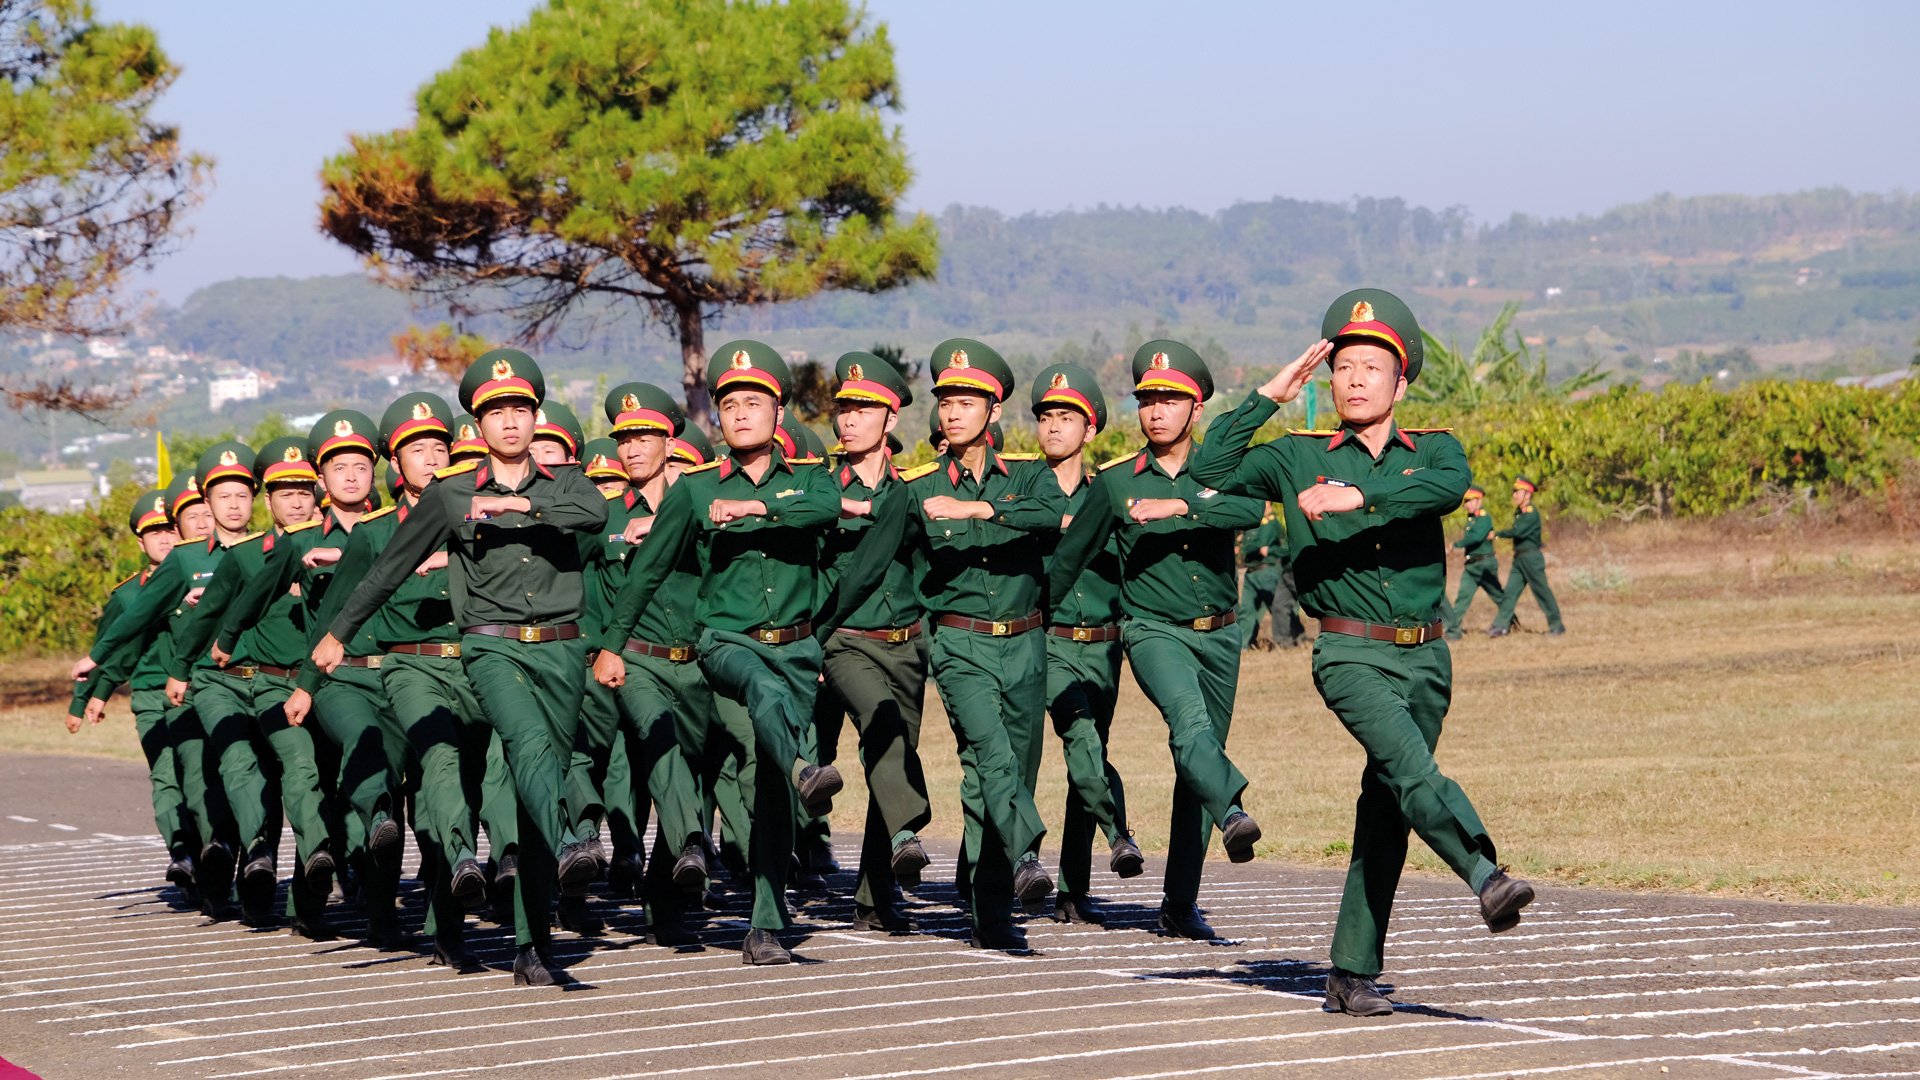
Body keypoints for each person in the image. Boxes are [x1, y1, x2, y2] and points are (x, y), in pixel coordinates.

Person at [1190, 288, 1536, 1016]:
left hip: (1429, 658)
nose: (1353, 378)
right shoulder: (1294, 457)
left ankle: (1350, 972)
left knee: (1389, 807)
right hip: (1349, 654)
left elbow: (1440, 491)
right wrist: (1267, 396)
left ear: (1400, 382)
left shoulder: (1434, 451)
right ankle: (1484, 871)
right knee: (1413, 771)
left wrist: (1359, 498)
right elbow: (1207, 470)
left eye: (1372, 366)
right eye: (1341, 365)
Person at [313, 348, 610, 987]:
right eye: (494, 412)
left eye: (520, 410)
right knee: (526, 746)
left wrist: (518, 509)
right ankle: (566, 841)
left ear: (536, 418)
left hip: (559, 647)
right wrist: (339, 632)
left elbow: (596, 514)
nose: (509, 422)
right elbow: (389, 566)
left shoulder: (566, 482)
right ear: (477, 425)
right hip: (490, 645)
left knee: (540, 774)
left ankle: (531, 941)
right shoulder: (451, 495)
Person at [591, 340, 860, 966]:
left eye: (754, 402)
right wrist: (610, 647)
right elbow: (647, 572)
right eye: (729, 404)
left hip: (795, 650)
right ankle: (802, 768)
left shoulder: (810, 480)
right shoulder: (692, 492)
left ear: (778, 411)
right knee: (762, 708)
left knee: (765, 795)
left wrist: (753, 507)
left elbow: (822, 509)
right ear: (717, 417)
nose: (741, 413)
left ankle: (765, 922)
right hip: (725, 646)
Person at [1047, 342, 1266, 940]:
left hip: (1222, 635)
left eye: (1170, 399)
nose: (1156, 411)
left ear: (1196, 410)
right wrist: (1028, 623)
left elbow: (1253, 513)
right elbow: (1068, 560)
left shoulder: (1223, 471)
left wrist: (1185, 506)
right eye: (1147, 400)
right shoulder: (1115, 484)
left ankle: (1179, 902)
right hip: (1151, 631)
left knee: (1200, 762)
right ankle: (1235, 811)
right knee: (1189, 728)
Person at [901, 338, 1063, 952]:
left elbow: (1048, 516)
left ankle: (983, 900)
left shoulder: (1027, 475)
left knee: (999, 777)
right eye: (945, 400)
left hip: (1024, 643)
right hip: (958, 643)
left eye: (968, 400)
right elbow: (885, 558)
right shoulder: (916, 488)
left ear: (994, 411)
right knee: (994, 757)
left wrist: (977, 508)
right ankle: (1024, 857)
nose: (952, 411)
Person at [168, 435, 335, 933]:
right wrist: (176, 669)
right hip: (240, 682)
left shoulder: (339, 543)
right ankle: (254, 860)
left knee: (302, 776)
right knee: (244, 771)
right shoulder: (249, 556)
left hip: (308, 682)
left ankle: (308, 877)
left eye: (305, 490)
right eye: (284, 492)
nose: (297, 500)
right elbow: (197, 616)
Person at [566, 381, 709, 943]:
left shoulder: (698, 503)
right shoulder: (602, 517)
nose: (630, 449)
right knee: (650, 747)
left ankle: (665, 899)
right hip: (627, 662)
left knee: (677, 772)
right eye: (623, 439)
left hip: (695, 661)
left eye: (643, 436)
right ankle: (589, 845)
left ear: (668, 442)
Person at [812, 351, 935, 932]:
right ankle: (911, 827)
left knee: (894, 754)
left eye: (865, 409)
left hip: (905, 642)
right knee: (882, 727)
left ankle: (874, 895)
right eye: (845, 408)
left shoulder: (909, 494)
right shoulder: (815, 488)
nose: (850, 419)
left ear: (891, 421)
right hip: (841, 641)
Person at [73, 474, 224, 912]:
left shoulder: (209, 570)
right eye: (153, 532)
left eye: (167, 529)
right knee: (169, 775)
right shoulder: (133, 594)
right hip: (151, 692)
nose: (163, 539)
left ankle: (213, 857)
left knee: (205, 775)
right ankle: (183, 853)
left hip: (202, 686)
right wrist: (92, 695)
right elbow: (124, 646)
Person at [1028, 361, 1142, 926]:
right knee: (1076, 739)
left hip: (1103, 641)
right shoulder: (1019, 489)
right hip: (1043, 641)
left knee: (1088, 756)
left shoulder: (1112, 493)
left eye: (1067, 417)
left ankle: (1074, 888)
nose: (1053, 427)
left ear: (1090, 429)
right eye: (1046, 416)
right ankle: (1119, 833)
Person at [1489, 476, 1565, 636]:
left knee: (1542, 592)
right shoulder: (1519, 513)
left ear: (1528, 494)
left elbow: (1518, 532)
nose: (1514, 495)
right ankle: (1501, 626)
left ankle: (1556, 625)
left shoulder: (1531, 514)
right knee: (1509, 593)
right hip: (1519, 559)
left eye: (1518, 492)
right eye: (1514, 491)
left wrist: (1497, 534)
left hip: (1531, 558)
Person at [1237, 506, 1304, 649]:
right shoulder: (1251, 522)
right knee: (1247, 611)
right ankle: (1242, 646)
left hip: (1268, 571)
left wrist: (1265, 548)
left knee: (1279, 607)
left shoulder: (1273, 524)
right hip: (1251, 573)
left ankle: (1296, 637)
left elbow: (1286, 547)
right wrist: (1253, 546)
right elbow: (1246, 548)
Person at [1443, 487, 1502, 640]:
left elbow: (1475, 538)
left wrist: (1456, 545)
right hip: (1471, 566)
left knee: (1498, 596)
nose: (1467, 505)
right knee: (1462, 598)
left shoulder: (1484, 518)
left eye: (1470, 501)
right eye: (1466, 502)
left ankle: (1509, 622)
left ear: (1479, 500)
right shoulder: (1471, 519)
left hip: (1485, 564)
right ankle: (1453, 630)